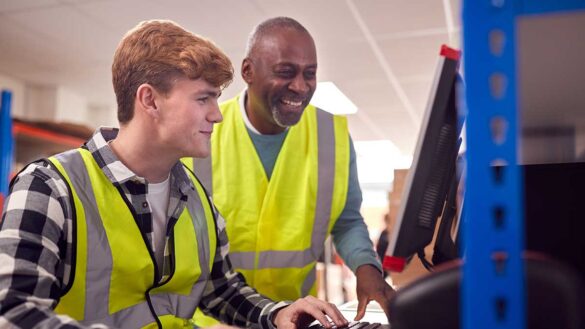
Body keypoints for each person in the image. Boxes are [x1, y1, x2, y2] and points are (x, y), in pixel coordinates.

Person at [0, 20, 349, 329]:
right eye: (203, 99)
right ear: (150, 101)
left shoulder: (195, 196)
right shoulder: (51, 187)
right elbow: (12, 311)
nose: (217, 115)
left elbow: (220, 289)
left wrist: (276, 314)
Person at [185, 16, 395, 323]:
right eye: (285, 72)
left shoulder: (331, 136)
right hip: (214, 320)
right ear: (248, 71)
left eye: (310, 74)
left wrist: (368, 269)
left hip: (294, 318)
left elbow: (346, 220)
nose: (300, 86)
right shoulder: (203, 132)